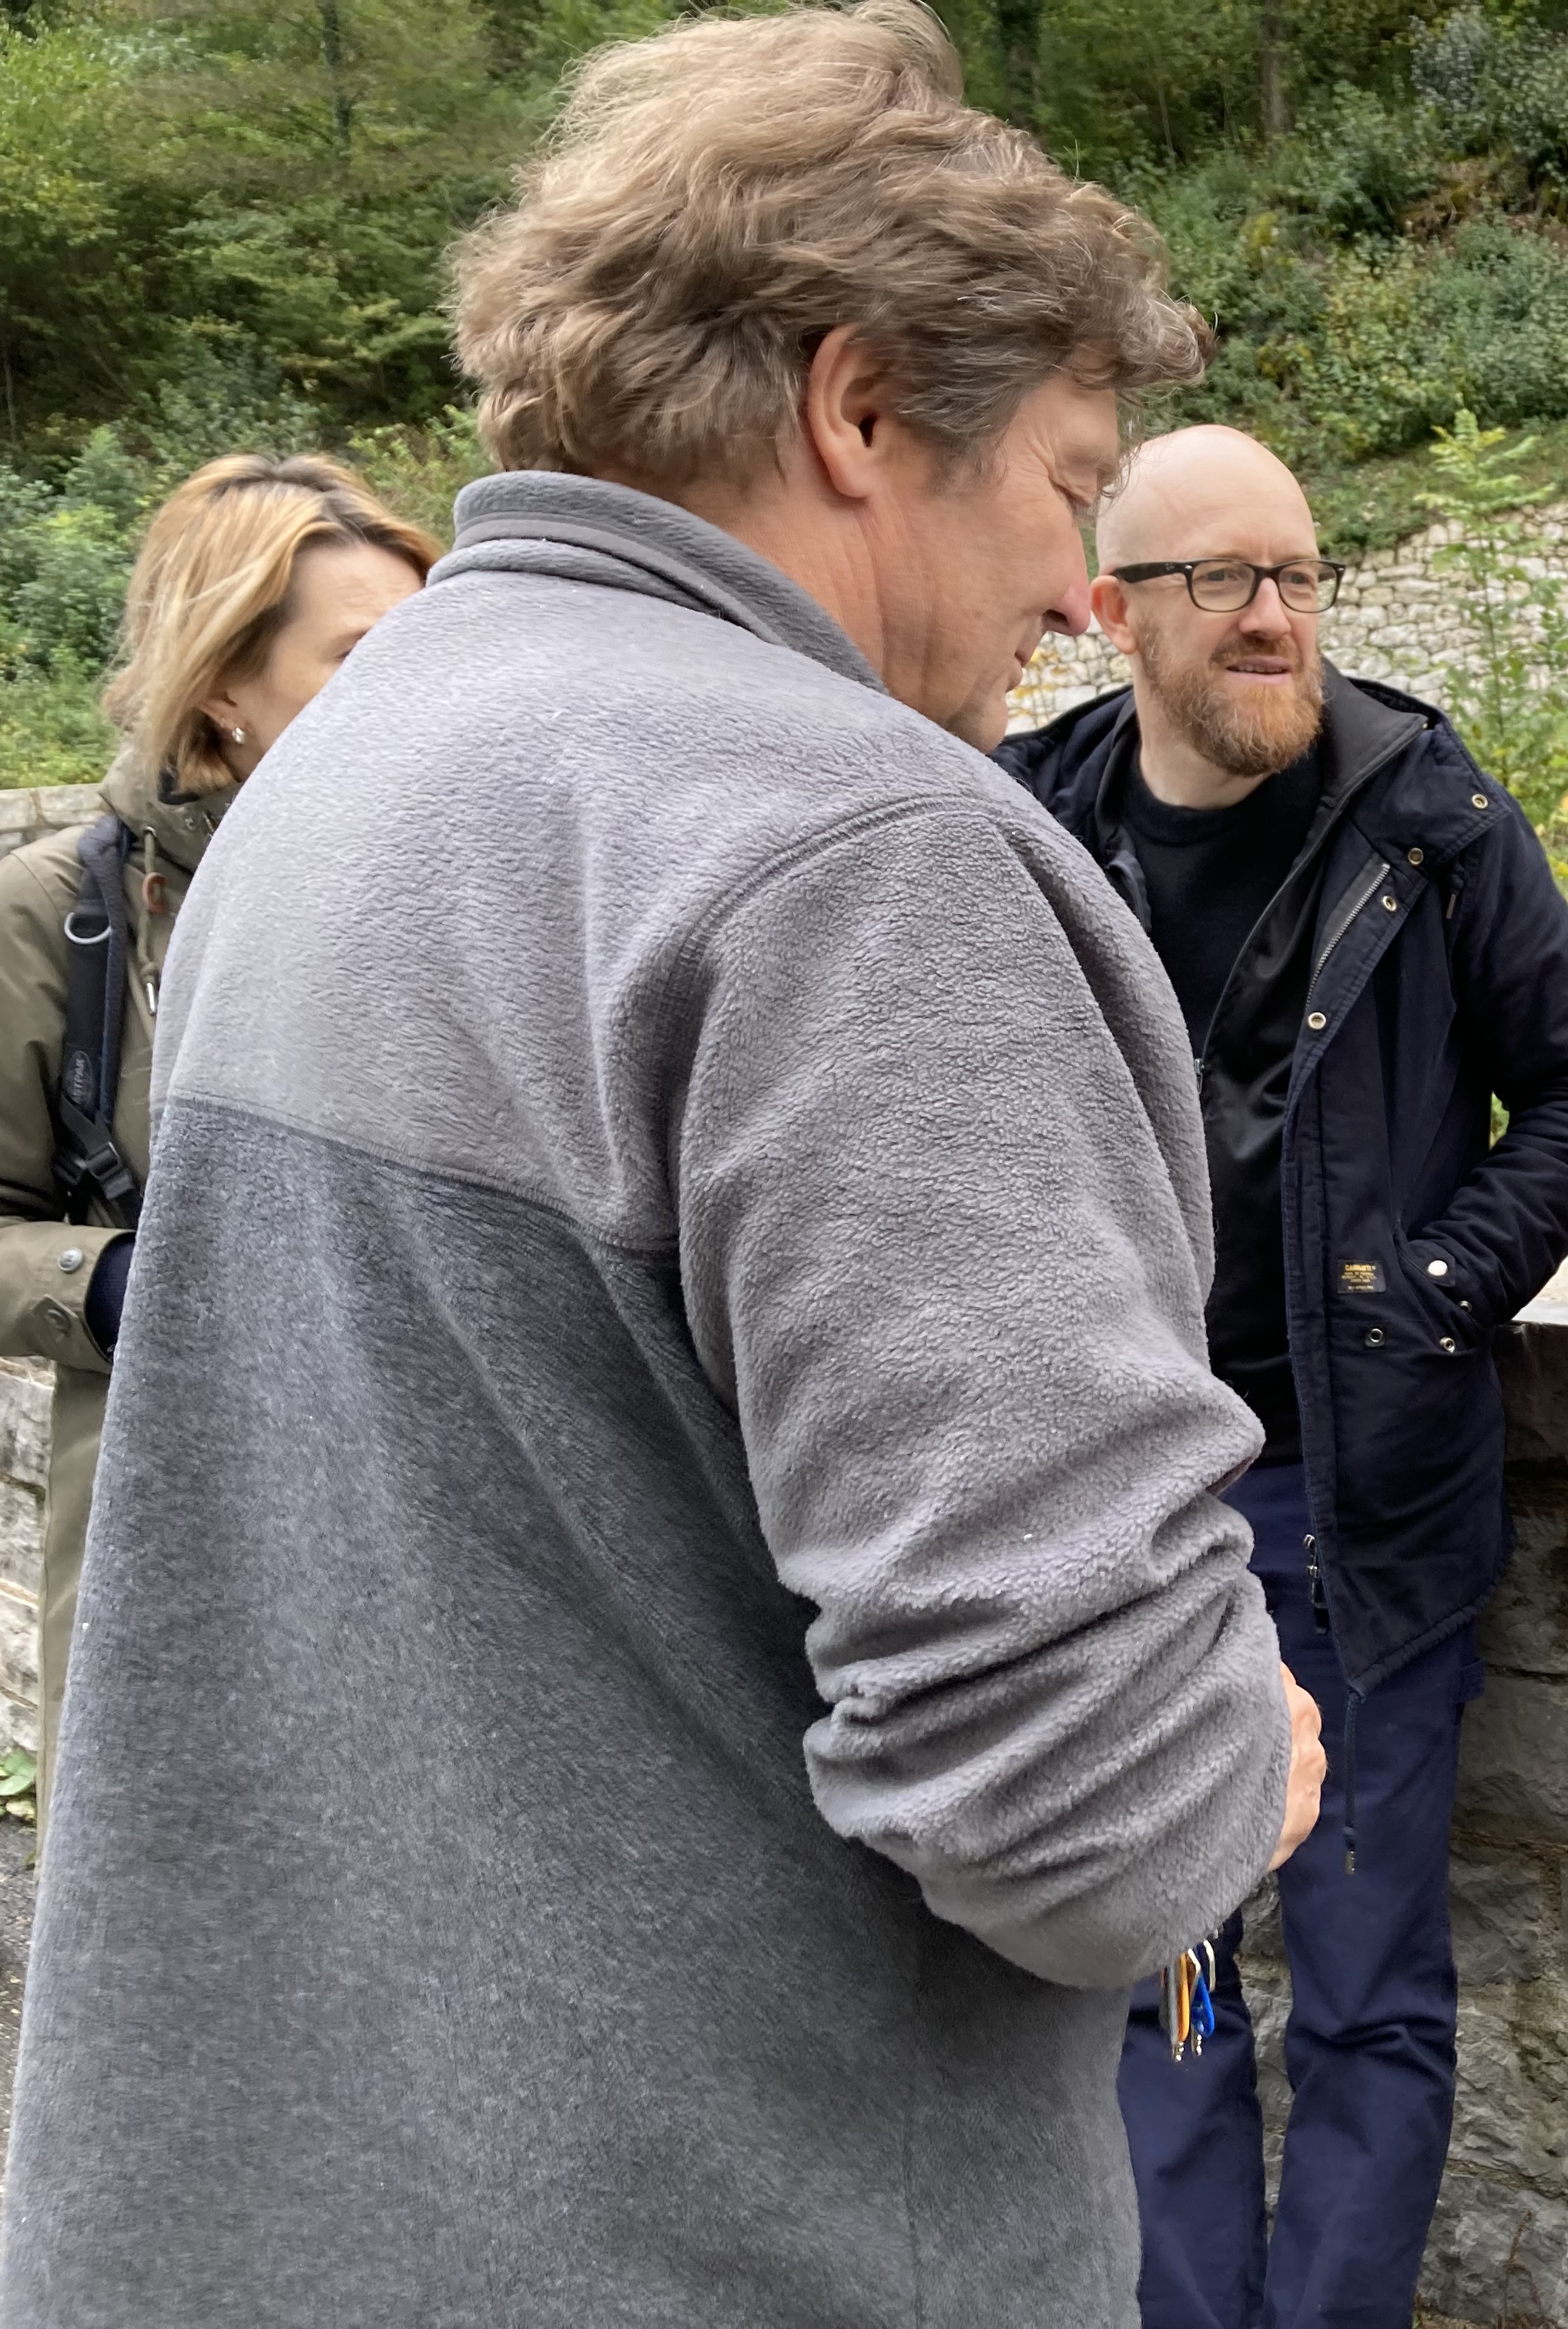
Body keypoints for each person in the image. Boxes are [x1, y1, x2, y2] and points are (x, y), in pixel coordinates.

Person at [1, 10, 1322, 2324]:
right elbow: (1076, 1805)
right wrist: (1240, 1763)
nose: (1082, 593)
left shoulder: (342, 767)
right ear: (855, 409)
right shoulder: (850, 853)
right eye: (1066, 484)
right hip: (726, 2241)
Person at [997, 424, 1568, 2329]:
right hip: (1122, 1518)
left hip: (1357, 1512)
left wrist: (1439, 1289)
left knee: (1365, 1988)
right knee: (1169, 1981)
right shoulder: (1024, 826)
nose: (1276, 618)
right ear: (1116, 612)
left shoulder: (1426, 815)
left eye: (1298, 576)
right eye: (1225, 583)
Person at [0, 453, 432, 1823]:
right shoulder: (60, 916)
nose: (427, 696)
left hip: (448, 1519)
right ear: (219, 690)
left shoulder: (482, 882)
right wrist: (116, 1284)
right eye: (365, 659)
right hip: (188, 1534)